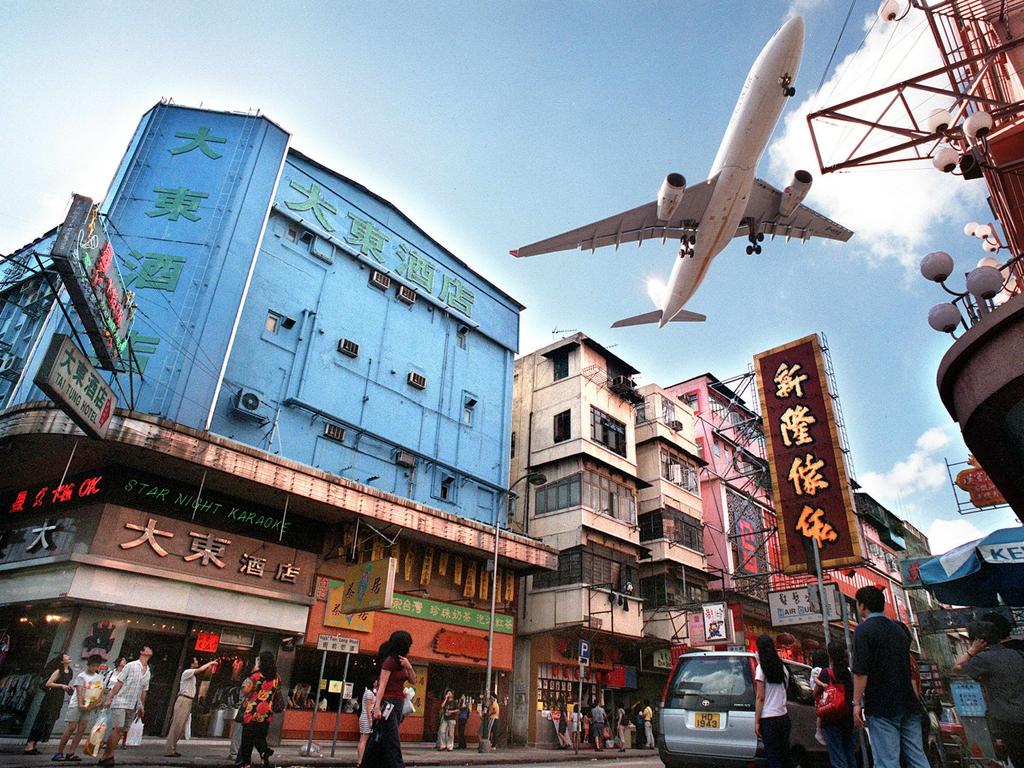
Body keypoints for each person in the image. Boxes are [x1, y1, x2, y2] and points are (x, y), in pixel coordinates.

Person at [851, 585, 929, 768]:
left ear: (862, 606)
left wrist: (856, 704)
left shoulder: (863, 630)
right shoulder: (899, 630)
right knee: (917, 757)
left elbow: (861, 672)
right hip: (908, 703)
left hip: (881, 705)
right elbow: (907, 669)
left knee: (887, 760)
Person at [954, 614, 1024, 768]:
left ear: (978, 641)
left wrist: (972, 651)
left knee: (1018, 757)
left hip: (1007, 718)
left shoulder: (984, 659)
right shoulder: (1017, 654)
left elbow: (957, 667)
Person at [368, 630, 417, 768]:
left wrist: (409, 666)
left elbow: (413, 680)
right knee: (393, 740)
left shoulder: (403, 663)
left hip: (399, 703)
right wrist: (377, 707)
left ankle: (368, 763)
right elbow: (382, 685)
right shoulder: (389, 661)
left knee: (384, 738)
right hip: (388, 704)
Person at [100, 647, 152, 766]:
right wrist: (110, 697)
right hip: (121, 701)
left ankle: (110, 754)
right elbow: (120, 682)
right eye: (147, 648)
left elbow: (144, 690)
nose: (150, 650)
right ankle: (106, 756)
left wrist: (141, 706)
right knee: (117, 728)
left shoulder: (148, 671)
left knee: (123, 730)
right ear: (141, 651)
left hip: (133, 704)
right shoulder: (131, 665)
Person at [54, 654, 105, 761]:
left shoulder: (99, 677)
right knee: (71, 728)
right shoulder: (82, 676)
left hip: (89, 705)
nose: (94, 668)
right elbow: (79, 691)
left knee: (81, 729)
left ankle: (71, 753)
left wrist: (94, 705)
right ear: (88, 665)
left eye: (97, 666)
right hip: (76, 705)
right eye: (93, 666)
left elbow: (100, 691)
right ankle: (59, 752)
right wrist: (81, 704)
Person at [815, 640, 858, 768]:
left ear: (830, 655)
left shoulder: (826, 673)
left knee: (837, 755)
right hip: (848, 717)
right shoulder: (849, 673)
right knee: (850, 753)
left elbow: (816, 694)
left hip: (832, 718)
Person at [165, 657, 218, 757]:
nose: (197, 662)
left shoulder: (192, 675)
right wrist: (210, 663)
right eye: (195, 661)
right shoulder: (187, 672)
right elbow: (200, 670)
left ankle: (173, 748)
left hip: (188, 700)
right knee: (177, 725)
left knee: (181, 726)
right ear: (191, 663)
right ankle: (169, 749)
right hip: (184, 700)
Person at [235, 651, 280, 768]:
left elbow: (245, 690)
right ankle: (264, 752)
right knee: (259, 736)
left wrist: (253, 672)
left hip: (252, 711)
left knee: (247, 739)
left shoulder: (256, 675)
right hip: (266, 713)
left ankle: (246, 763)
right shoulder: (277, 678)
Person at [23, 653, 73, 756]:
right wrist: (62, 686)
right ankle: (29, 745)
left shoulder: (70, 672)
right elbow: (48, 683)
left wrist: (67, 690)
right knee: (41, 719)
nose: (68, 657)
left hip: (59, 697)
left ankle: (34, 745)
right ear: (62, 661)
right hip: (51, 697)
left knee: (48, 721)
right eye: (66, 656)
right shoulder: (59, 671)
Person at [754, 634, 791, 768]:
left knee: (773, 757)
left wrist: (757, 721)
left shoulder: (761, 668)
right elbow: (786, 688)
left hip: (768, 719)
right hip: (783, 716)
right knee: (784, 755)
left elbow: (760, 697)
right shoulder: (782, 667)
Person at [810, 648, 829, 747]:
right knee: (820, 714)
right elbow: (816, 680)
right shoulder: (817, 670)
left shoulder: (815, 669)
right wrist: (823, 684)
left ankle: (820, 731)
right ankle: (819, 731)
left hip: (821, 695)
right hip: (820, 695)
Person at [356, 679, 377, 768]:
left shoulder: (373, 692)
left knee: (364, 740)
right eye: (376, 681)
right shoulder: (369, 693)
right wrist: (370, 721)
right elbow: (368, 709)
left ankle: (362, 760)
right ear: (372, 682)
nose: (378, 682)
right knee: (363, 740)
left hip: (368, 718)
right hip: (366, 718)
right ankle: (360, 761)